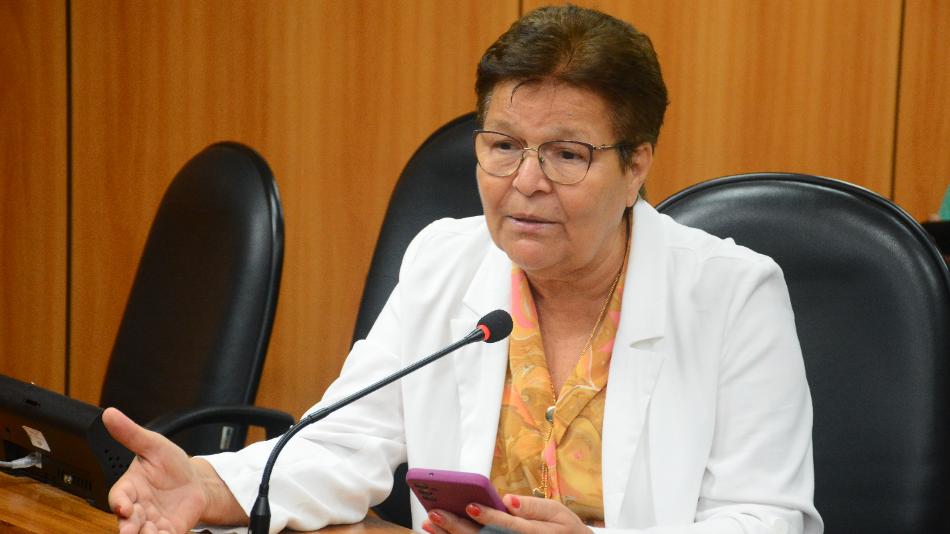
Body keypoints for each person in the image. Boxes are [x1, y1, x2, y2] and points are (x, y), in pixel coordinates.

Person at [103, 5, 823, 534]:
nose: (526, 182)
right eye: (503, 146)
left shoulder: (733, 295)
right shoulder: (444, 259)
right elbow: (344, 443)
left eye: (566, 155)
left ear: (636, 165)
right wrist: (206, 485)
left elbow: (767, 518)